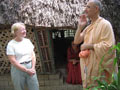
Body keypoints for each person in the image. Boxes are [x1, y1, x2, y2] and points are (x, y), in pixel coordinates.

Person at [74, 0, 117, 89]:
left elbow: (109, 46)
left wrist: (89, 46)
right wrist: (80, 27)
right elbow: (76, 41)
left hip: (99, 68)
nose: (85, 9)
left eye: (88, 7)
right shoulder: (89, 27)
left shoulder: (105, 24)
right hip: (88, 66)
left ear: (96, 9)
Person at [6, 22, 39, 90]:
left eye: (25, 29)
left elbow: (33, 55)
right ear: (15, 32)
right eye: (22, 30)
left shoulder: (27, 41)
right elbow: (13, 61)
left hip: (30, 67)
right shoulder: (11, 44)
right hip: (18, 69)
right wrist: (26, 70)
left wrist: (32, 68)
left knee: (35, 87)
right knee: (19, 88)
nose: (24, 31)